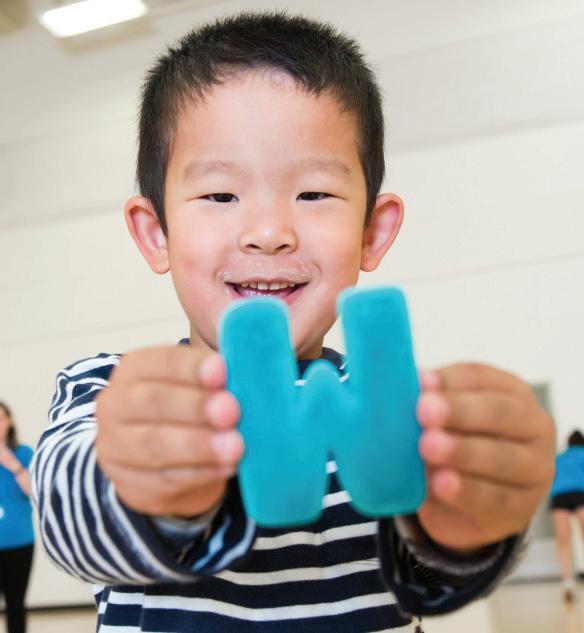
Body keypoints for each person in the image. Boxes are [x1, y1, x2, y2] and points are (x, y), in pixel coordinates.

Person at [30, 12, 555, 632]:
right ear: (156, 234)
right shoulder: (112, 391)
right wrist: (148, 481)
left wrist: (469, 522)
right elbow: (70, 523)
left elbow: (434, 579)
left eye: (313, 194)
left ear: (372, 232)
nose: (268, 233)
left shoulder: (394, 410)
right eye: (220, 195)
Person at [0, 402, 33, 633]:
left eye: (1, 418)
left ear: (9, 421)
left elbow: (34, 492)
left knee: (15, 605)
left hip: (19, 543)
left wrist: (13, 465)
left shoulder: (24, 454)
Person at [550, 430, 584, 603]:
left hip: (559, 495)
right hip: (580, 493)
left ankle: (567, 583)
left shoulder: (560, 458)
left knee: (563, 540)